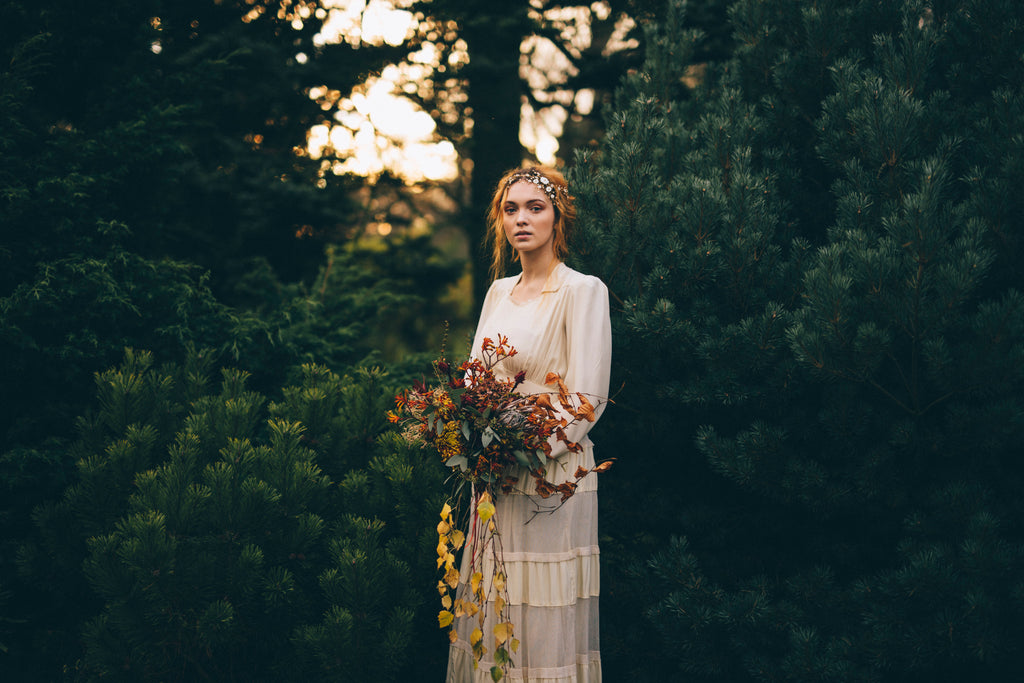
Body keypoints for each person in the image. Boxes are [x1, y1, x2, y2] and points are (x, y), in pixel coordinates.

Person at [446, 166, 612, 682]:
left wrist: (527, 447)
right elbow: (474, 383)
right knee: (495, 604)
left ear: (557, 216)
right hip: (493, 477)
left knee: (545, 607)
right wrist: (473, 437)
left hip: (551, 475)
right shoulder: (498, 293)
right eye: (510, 209)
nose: (522, 219)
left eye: (534, 207)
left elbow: (588, 397)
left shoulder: (582, 291)